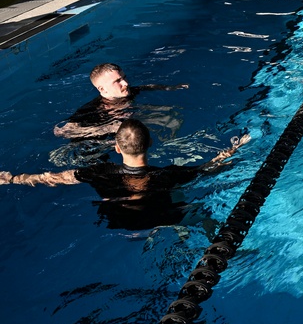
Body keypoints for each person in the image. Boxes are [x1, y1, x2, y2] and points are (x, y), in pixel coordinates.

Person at [3, 119, 249, 230]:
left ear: (117, 148)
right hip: (161, 218)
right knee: (200, 214)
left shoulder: (98, 171)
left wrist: (13, 179)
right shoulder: (168, 174)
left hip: (118, 222)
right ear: (151, 143)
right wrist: (234, 148)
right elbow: (208, 168)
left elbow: (55, 179)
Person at [53, 63, 189, 140]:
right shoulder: (92, 109)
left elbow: (147, 87)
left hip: (126, 130)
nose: (125, 83)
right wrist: (107, 128)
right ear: (103, 89)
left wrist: (170, 88)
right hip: (99, 143)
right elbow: (61, 131)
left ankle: (172, 142)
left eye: (124, 77)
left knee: (174, 117)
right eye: (118, 81)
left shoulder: (126, 93)